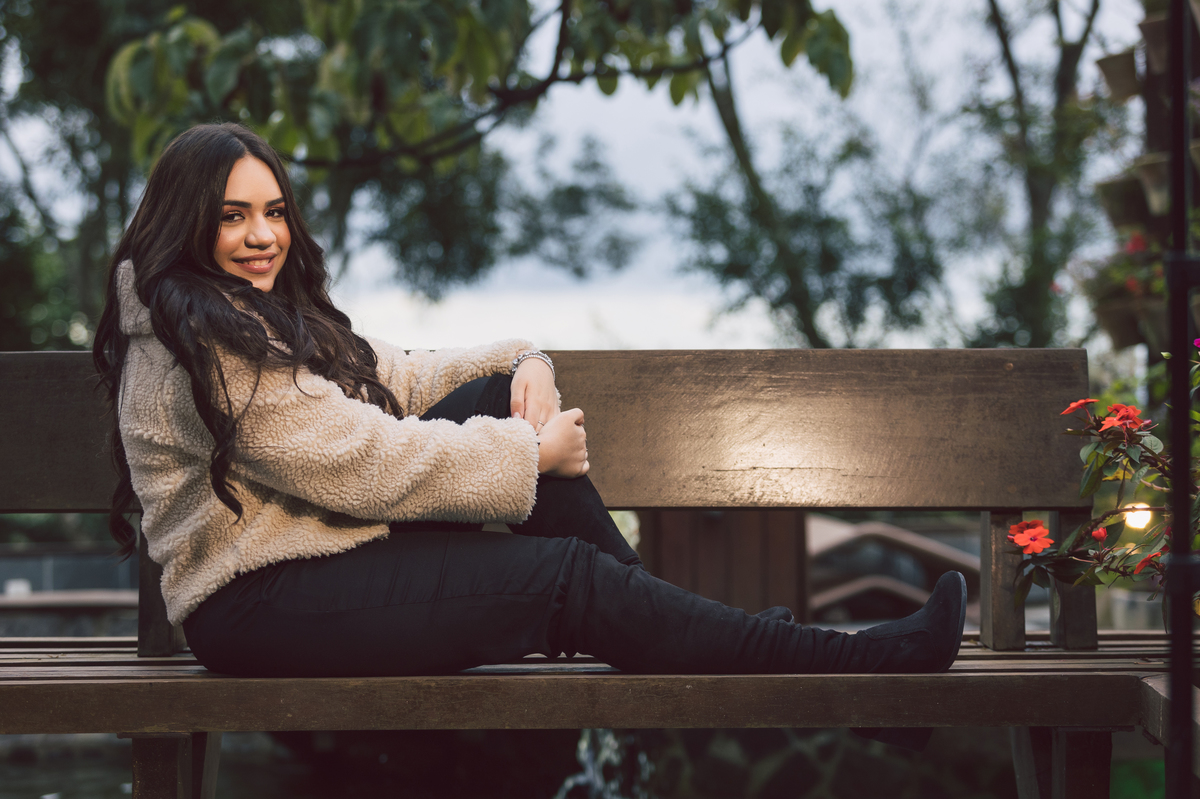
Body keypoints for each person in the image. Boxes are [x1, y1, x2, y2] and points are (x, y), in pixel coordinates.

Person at [93, 123, 966, 682]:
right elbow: (362, 463)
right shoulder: (196, 346)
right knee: (568, 580)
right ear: (186, 223)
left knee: (488, 397)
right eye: (234, 215)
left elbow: (392, 373)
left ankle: (717, 637)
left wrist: (525, 359)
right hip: (258, 606)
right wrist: (529, 456)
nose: (262, 236)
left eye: (274, 211)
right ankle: (843, 663)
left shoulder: (244, 316)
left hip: (313, 562)